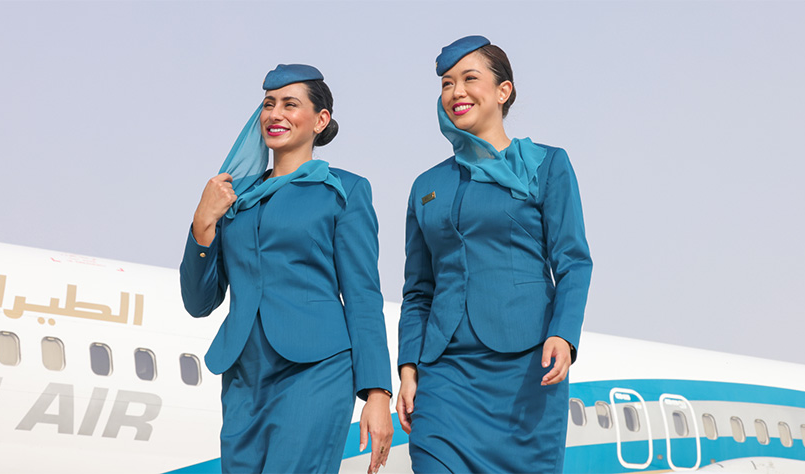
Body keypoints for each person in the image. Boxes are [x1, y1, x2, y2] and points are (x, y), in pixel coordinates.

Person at [180, 64, 393, 474]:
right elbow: (198, 301)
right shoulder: (235, 201)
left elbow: (363, 295)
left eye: (290, 105)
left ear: (320, 120)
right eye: (268, 104)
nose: (275, 114)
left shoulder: (344, 190)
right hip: (244, 374)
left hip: (316, 370)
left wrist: (377, 393)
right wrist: (203, 225)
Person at [396, 36, 592, 473]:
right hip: (445, 372)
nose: (456, 92)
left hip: (525, 368)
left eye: (469, 79)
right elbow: (418, 292)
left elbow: (573, 261)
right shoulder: (427, 186)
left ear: (503, 91)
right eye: (447, 84)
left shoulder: (546, 165)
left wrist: (563, 333)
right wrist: (408, 367)